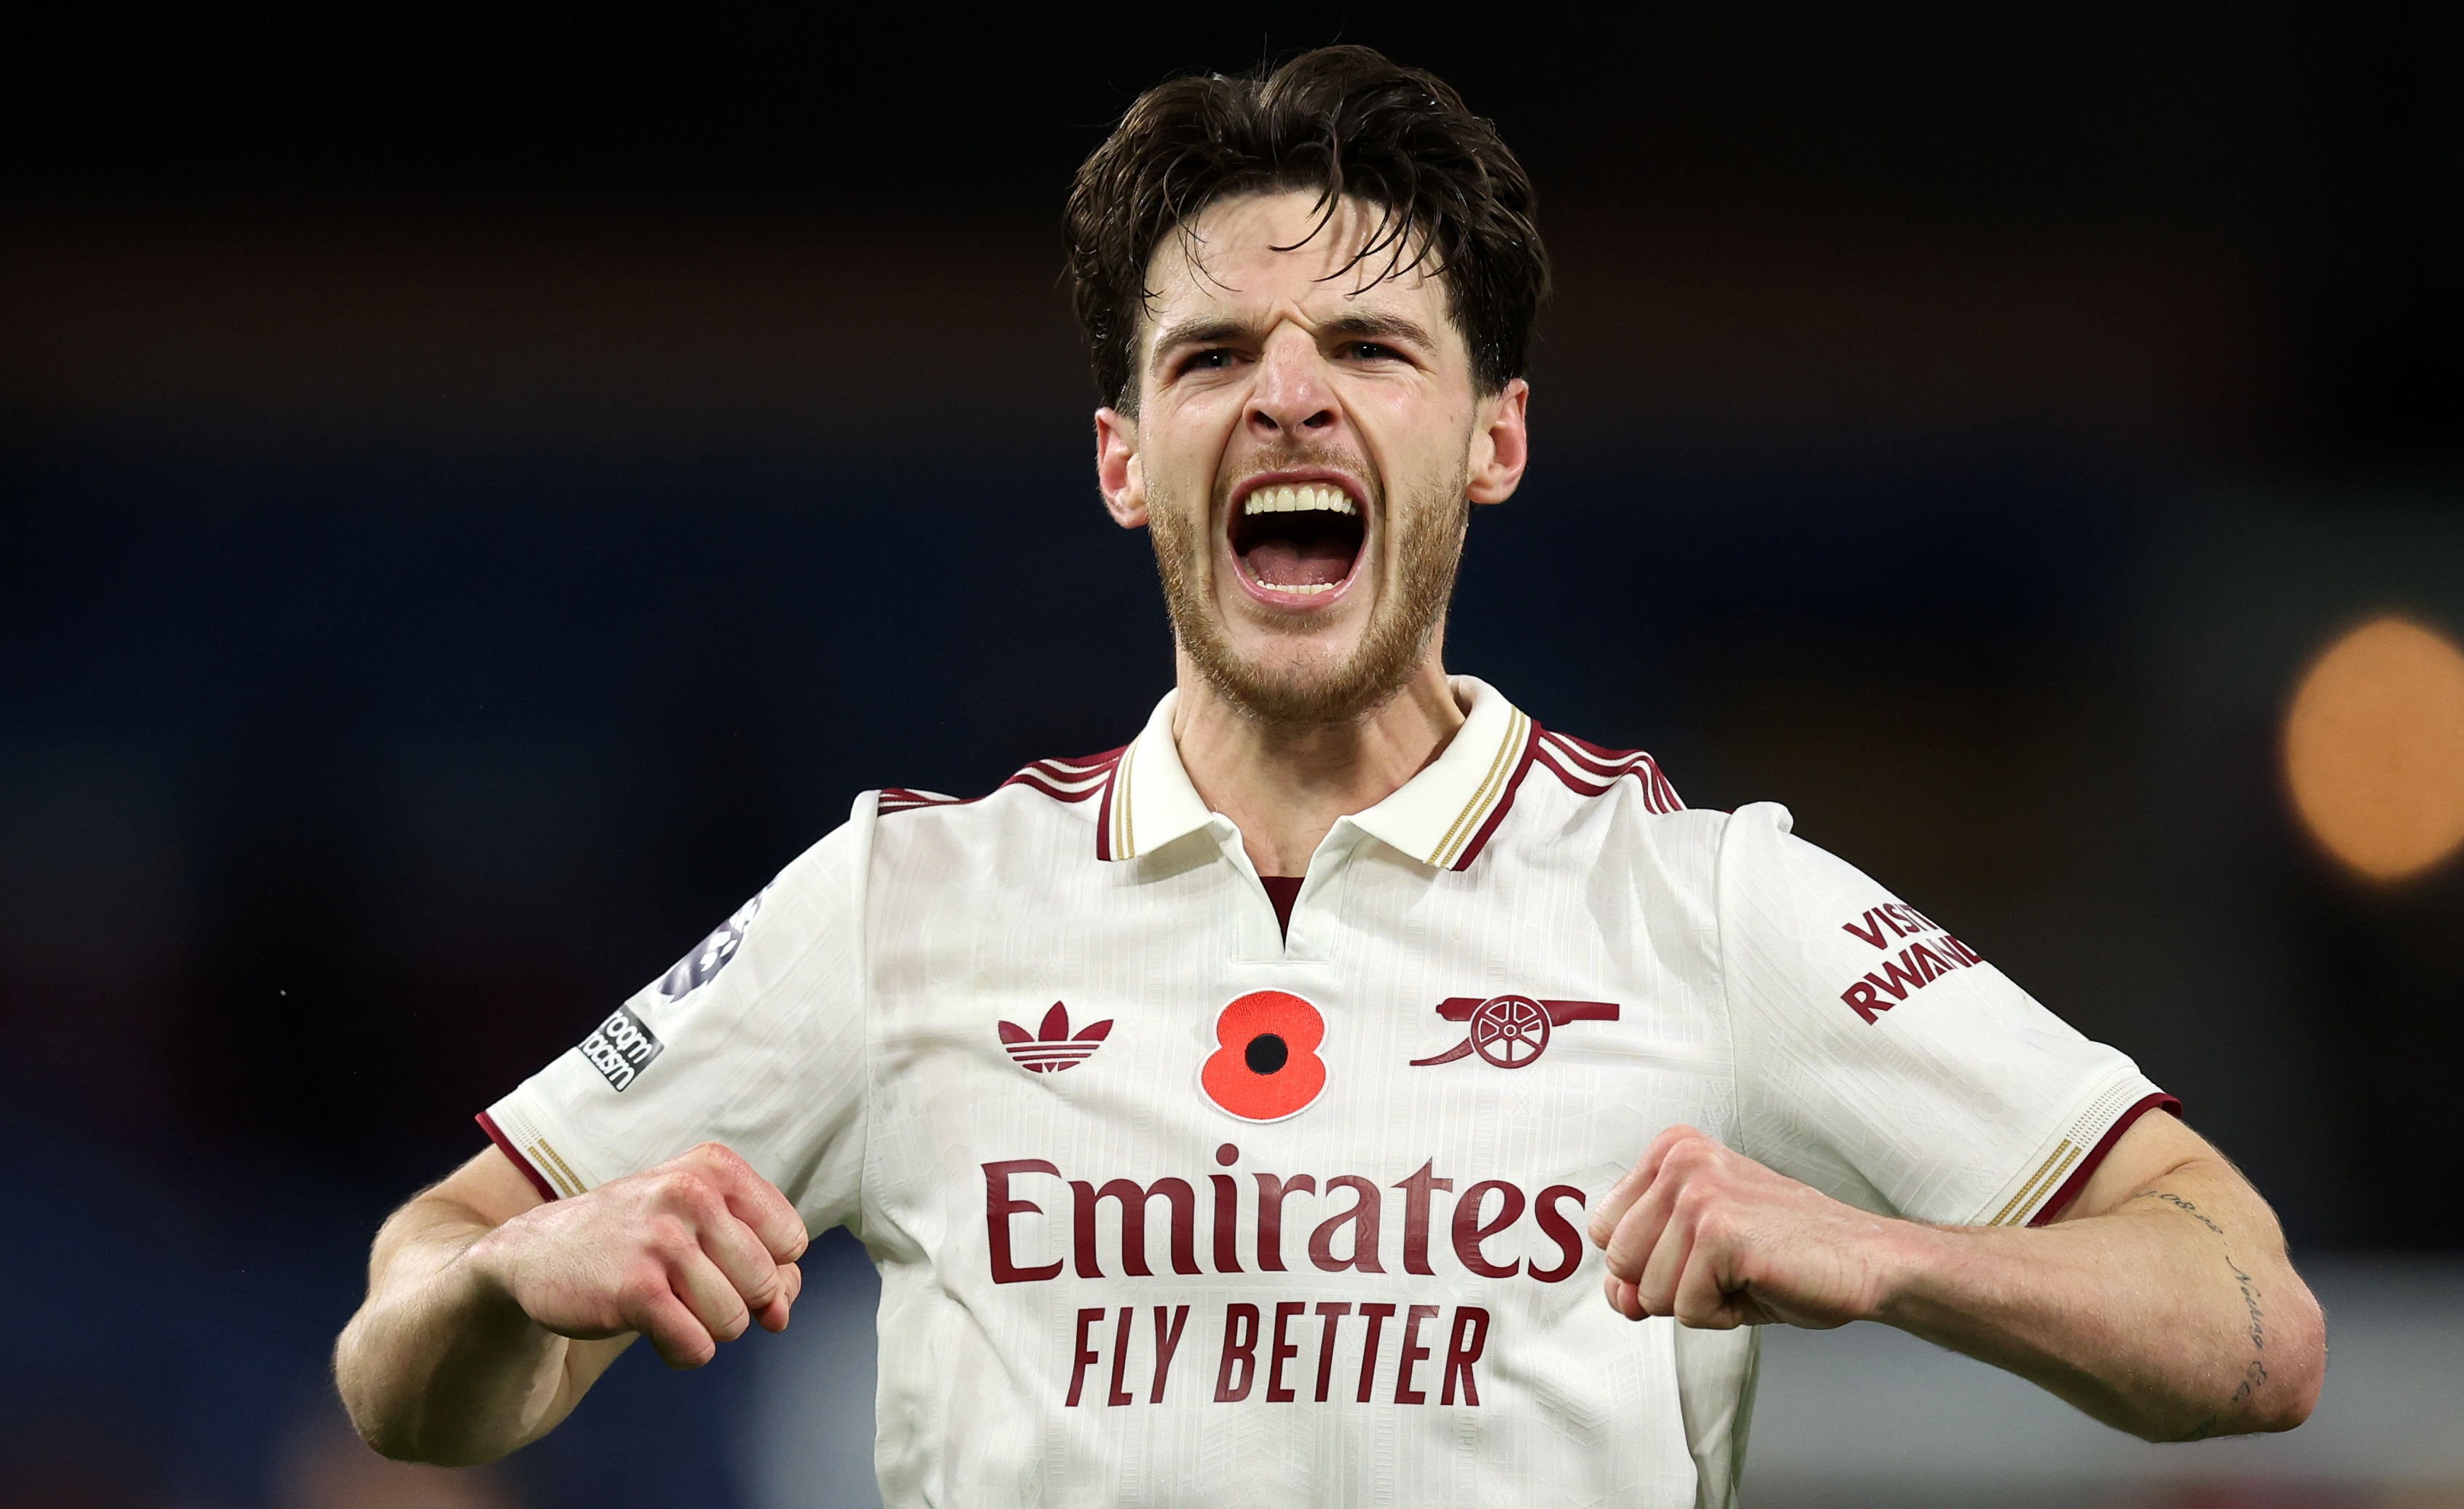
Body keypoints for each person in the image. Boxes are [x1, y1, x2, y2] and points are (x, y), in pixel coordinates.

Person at [334, 45, 2322, 1507]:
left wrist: (1883, 1257)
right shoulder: (896, 907)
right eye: (1211, 357)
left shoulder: (1712, 906)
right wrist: (510, 1278)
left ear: (1493, 440)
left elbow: (2246, 1324)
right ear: (1125, 462)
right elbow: (401, 1362)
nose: (1286, 391)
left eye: (1369, 343)